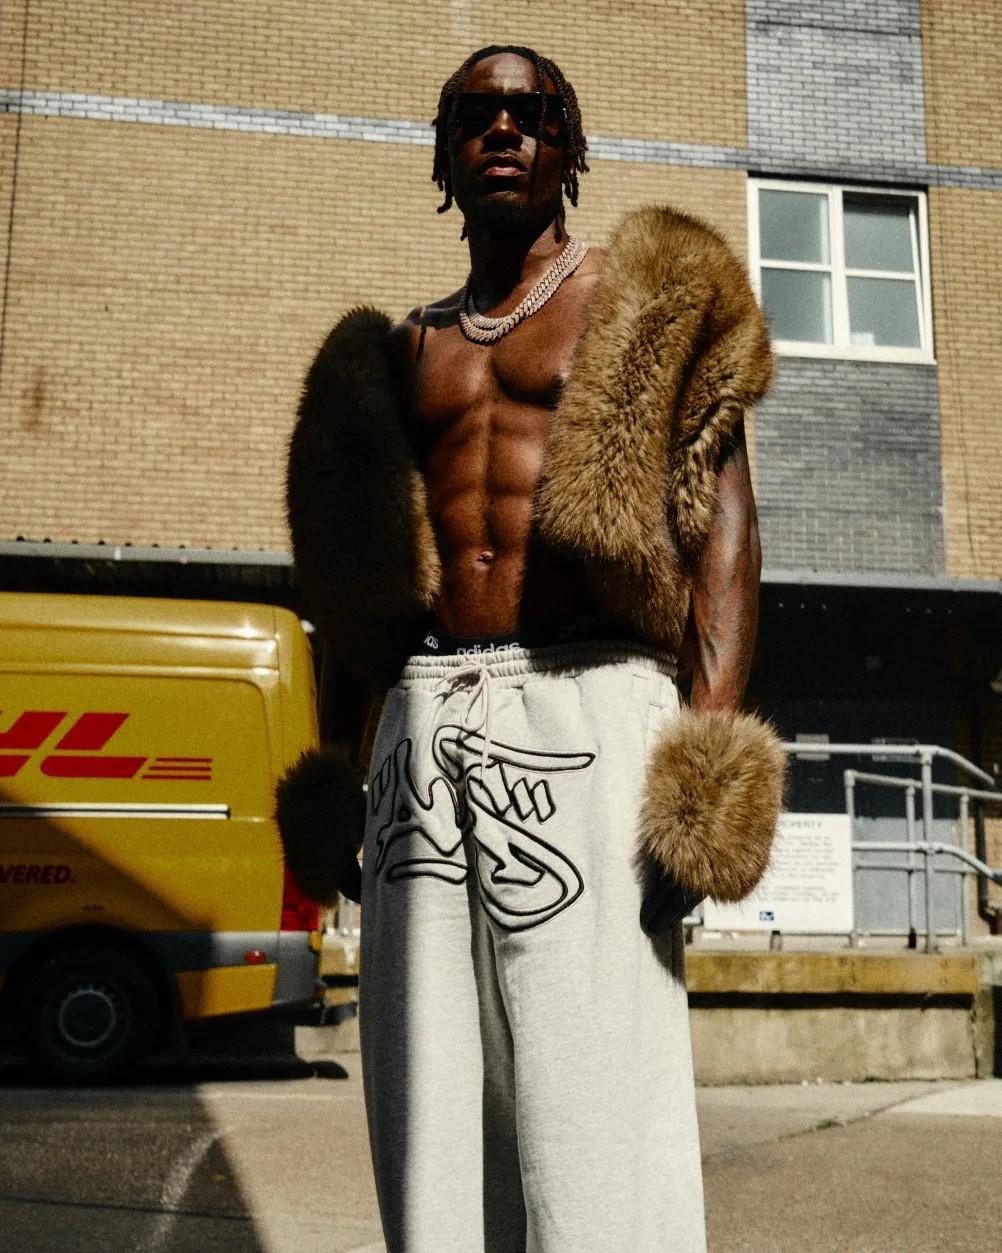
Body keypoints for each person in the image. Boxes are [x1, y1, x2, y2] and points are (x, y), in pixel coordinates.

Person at [278, 44, 786, 1253]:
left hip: (588, 699)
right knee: (429, 1082)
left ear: (571, 144)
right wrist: (338, 764)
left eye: (531, 112)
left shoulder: (644, 304)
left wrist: (707, 758)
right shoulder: (403, 353)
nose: (503, 131)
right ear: (444, 154)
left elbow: (723, 531)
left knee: (593, 1075)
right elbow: (363, 588)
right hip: (426, 716)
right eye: (476, 114)